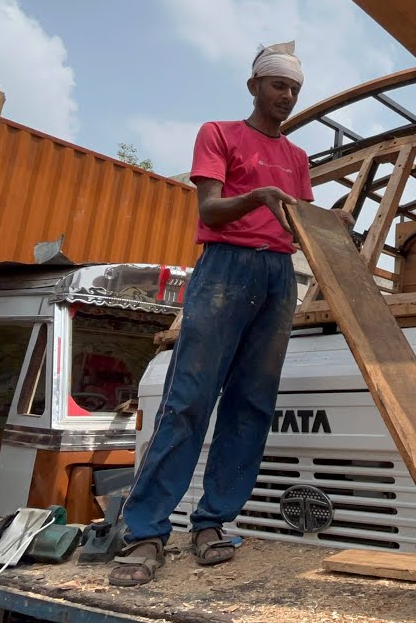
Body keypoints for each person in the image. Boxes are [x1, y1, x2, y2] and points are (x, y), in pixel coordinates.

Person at [109, 41, 350, 586]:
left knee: (252, 404)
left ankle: (213, 522)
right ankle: (146, 532)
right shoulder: (218, 133)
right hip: (224, 268)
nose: (286, 96)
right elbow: (211, 209)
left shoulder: (297, 158)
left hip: (277, 276)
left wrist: (331, 220)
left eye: (294, 89)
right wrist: (258, 197)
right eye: (277, 85)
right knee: (188, 398)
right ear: (254, 87)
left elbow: (300, 225)